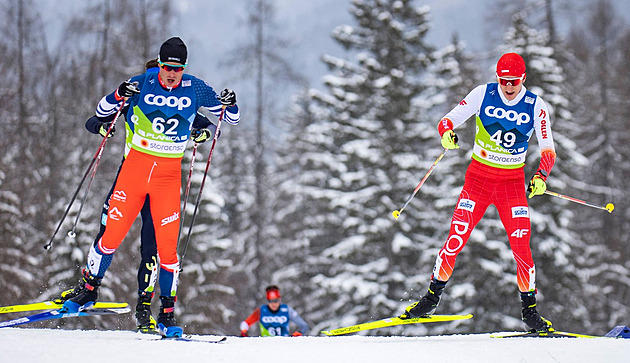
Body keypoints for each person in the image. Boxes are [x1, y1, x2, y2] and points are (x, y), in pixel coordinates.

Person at [62, 37, 240, 337]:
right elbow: (101, 108)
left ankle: (166, 312)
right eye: (168, 67)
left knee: (166, 251)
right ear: (159, 63)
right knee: (110, 236)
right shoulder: (142, 82)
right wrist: (119, 93)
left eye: (178, 68)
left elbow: (228, 119)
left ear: (185, 67)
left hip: (167, 179)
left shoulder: (195, 88)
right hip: (133, 172)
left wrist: (230, 104)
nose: (172, 73)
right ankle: (89, 288)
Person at [399, 52, 556, 333]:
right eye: (504, 80)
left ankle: (530, 312)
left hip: (511, 185)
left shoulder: (535, 105)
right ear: (497, 77)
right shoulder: (483, 94)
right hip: (479, 180)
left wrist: (541, 176)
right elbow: (447, 120)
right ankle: (430, 298)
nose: (508, 86)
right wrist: (446, 133)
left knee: (521, 247)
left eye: (514, 81)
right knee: (456, 238)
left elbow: (548, 148)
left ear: (524, 79)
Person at [240, 286, 309, 337]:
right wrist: (244, 331)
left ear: (279, 300)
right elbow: (245, 323)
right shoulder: (261, 311)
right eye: (270, 301)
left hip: (284, 344)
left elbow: (304, 326)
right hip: (266, 344)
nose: (273, 304)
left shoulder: (286, 310)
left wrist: (300, 333)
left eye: (275, 301)